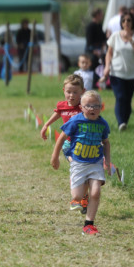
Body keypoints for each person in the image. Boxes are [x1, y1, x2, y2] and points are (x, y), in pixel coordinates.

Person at [51, 90, 111, 236]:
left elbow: (106, 142)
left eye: (96, 106)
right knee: (77, 196)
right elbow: (62, 138)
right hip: (78, 163)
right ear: (82, 107)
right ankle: (79, 194)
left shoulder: (102, 124)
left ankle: (89, 225)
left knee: (95, 192)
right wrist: (55, 156)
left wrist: (107, 162)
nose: (92, 109)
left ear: (101, 107)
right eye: (88, 106)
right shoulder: (76, 121)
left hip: (95, 163)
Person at [40, 74, 88, 212]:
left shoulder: (84, 107)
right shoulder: (62, 105)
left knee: (84, 173)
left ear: (82, 92)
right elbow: (57, 114)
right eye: (68, 92)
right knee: (76, 166)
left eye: (75, 92)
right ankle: (76, 198)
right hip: (68, 144)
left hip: (84, 145)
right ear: (63, 91)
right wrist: (46, 125)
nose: (71, 95)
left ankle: (84, 197)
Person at [100, 12, 134, 131]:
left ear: (132, 22)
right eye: (124, 20)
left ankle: (124, 122)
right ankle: (121, 122)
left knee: (128, 99)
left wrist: (131, 41)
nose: (126, 23)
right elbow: (109, 53)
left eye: (128, 20)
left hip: (133, 73)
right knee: (120, 97)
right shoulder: (115, 36)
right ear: (121, 23)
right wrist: (107, 67)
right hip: (116, 72)